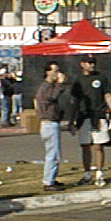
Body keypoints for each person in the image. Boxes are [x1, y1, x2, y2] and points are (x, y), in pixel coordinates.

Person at [68, 54, 111, 187]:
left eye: (93, 62)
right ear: (82, 64)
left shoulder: (101, 78)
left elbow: (108, 95)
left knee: (98, 146)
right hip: (84, 116)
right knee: (85, 146)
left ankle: (100, 175)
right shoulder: (78, 80)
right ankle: (87, 174)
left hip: (99, 115)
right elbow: (74, 101)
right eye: (88, 63)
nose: (91, 65)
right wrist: (71, 120)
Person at [35, 61, 68, 191]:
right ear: (47, 72)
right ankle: (48, 182)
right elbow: (52, 97)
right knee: (52, 154)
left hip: (52, 122)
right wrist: (60, 83)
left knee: (55, 153)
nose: (57, 74)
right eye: (55, 71)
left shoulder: (49, 86)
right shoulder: (46, 87)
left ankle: (52, 178)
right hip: (49, 123)